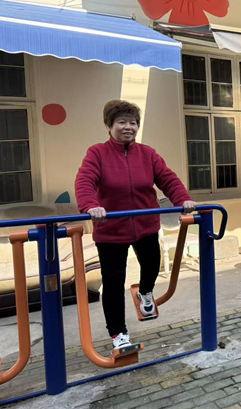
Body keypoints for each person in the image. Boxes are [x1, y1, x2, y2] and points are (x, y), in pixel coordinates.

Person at [75, 100, 197, 351]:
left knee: (151, 265)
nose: (128, 127)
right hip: (111, 230)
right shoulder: (97, 153)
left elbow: (168, 179)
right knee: (113, 282)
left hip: (145, 225)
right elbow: (85, 180)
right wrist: (90, 205)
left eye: (133, 123)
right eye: (121, 122)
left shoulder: (148, 154)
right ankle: (119, 334)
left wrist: (182, 199)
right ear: (109, 126)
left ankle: (145, 292)